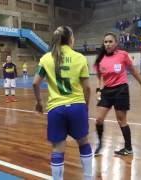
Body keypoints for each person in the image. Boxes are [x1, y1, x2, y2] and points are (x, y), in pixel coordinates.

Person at [32, 26, 93, 180]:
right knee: (84, 143)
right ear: (70, 38)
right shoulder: (80, 58)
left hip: (56, 109)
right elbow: (88, 88)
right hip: (77, 106)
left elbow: (35, 83)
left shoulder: (46, 58)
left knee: (58, 149)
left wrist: (39, 102)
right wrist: (85, 106)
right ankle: (88, 177)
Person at [94, 32, 141, 156]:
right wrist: (98, 89)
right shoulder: (100, 59)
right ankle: (100, 144)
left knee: (121, 120)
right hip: (107, 91)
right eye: (105, 42)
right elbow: (99, 76)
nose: (107, 44)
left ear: (116, 43)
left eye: (110, 42)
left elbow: (133, 71)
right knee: (98, 119)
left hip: (121, 90)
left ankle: (128, 148)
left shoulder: (123, 55)